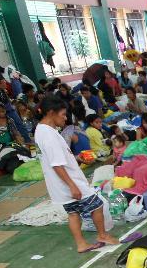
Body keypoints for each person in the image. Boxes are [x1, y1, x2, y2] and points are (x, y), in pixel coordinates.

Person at [35, 96, 118, 252]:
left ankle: (81, 244)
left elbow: (56, 158)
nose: (65, 118)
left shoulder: (41, 130)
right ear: (51, 113)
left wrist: (77, 158)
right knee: (97, 204)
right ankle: (102, 235)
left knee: (73, 213)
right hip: (68, 181)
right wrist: (72, 185)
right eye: (63, 114)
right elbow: (56, 164)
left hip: (60, 184)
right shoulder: (49, 135)